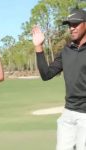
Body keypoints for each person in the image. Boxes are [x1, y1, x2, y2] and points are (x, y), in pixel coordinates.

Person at [32, 8, 86, 150]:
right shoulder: (66, 51)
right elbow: (46, 74)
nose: (72, 28)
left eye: (75, 24)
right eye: (69, 25)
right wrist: (38, 47)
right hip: (68, 113)